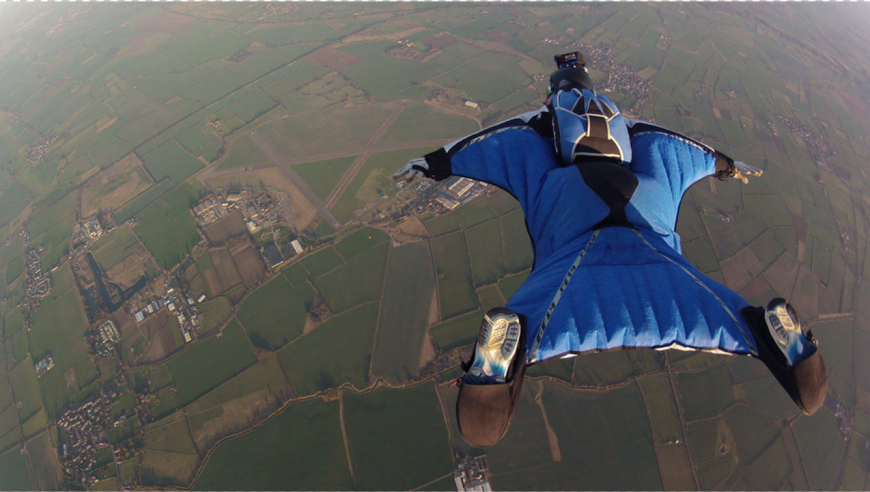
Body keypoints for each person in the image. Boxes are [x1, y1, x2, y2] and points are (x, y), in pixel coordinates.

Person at [394, 52, 827, 448]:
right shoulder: (626, 121)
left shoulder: (541, 120)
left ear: (553, 92)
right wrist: (726, 166)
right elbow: (676, 147)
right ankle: (772, 340)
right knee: (715, 307)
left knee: (544, 294)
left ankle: (499, 374)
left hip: (574, 221)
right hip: (646, 212)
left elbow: (498, 143)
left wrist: (432, 164)